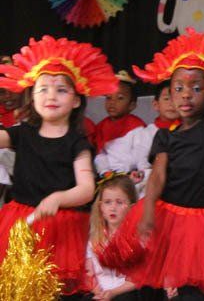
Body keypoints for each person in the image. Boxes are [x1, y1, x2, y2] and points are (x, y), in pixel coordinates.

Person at [102, 21, 204, 299]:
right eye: (178, 88)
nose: (185, 95)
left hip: (196, 224)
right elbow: (157, 176)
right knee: (146, 286)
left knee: (191, 291)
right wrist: (147, 213)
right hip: (163, 215)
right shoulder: (164, 137)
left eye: (196, 88)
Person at [0, 35, 118, 296]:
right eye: (43, 88)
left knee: (55, 291)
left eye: (61, 89)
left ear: (76, 100)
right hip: (22, 221)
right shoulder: (23, 133)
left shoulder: (77, 143)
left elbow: (87, 189)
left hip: (62, 229)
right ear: (32, 96)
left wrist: (59, 198)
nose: (51, 95)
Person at [86, 174, 138, 300]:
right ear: (101, 207)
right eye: (108, 202)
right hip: (101, 292)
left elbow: (138, 278)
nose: (113, 208)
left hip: (126, 291)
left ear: (131, 207)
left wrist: (113, 293)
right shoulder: (95, 238)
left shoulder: (137, 238)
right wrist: (97, 291)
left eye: (119, 202)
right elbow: (89, 271)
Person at [92, 71, 145, 174]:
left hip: (131, 173)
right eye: (108, 97)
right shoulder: (101, 126)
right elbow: (100, 154)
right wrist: (105, 171)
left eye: (120, 98)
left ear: (132, 105)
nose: (112, 102)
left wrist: (124, 170)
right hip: (109, 175)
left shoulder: (137, 127)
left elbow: (140, 154)